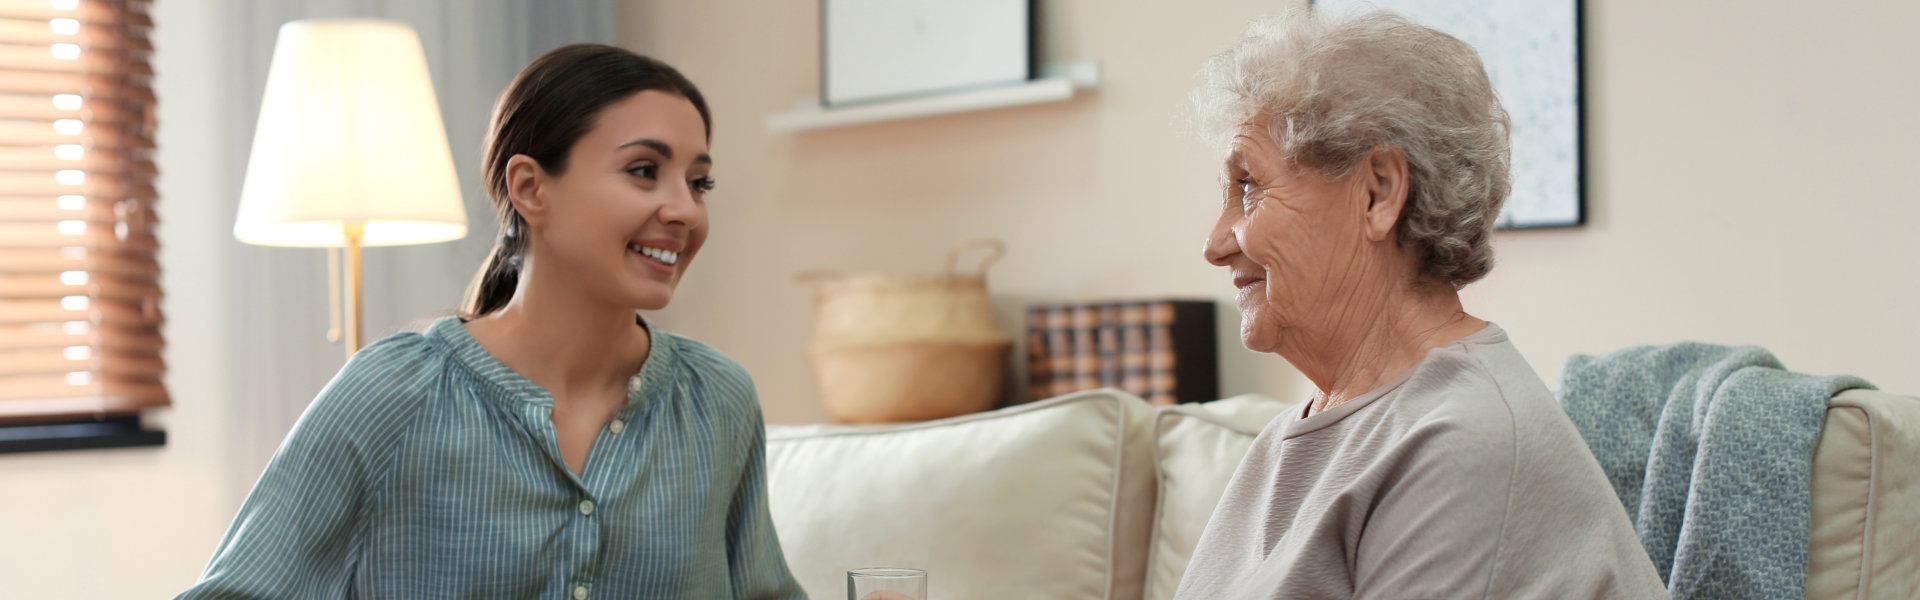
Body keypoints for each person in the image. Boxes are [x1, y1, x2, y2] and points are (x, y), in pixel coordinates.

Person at [179, 44, 804, 599]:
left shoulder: (718, 401)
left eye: (700, 182)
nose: (684, 210)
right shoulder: (392, 395)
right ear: (531, 188)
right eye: (645, 171)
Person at [1176, 11, 1668, 599]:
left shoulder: (1465, 444)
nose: (1215, 244)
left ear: (1378, 191)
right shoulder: (1289, 441)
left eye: (1249, 186)